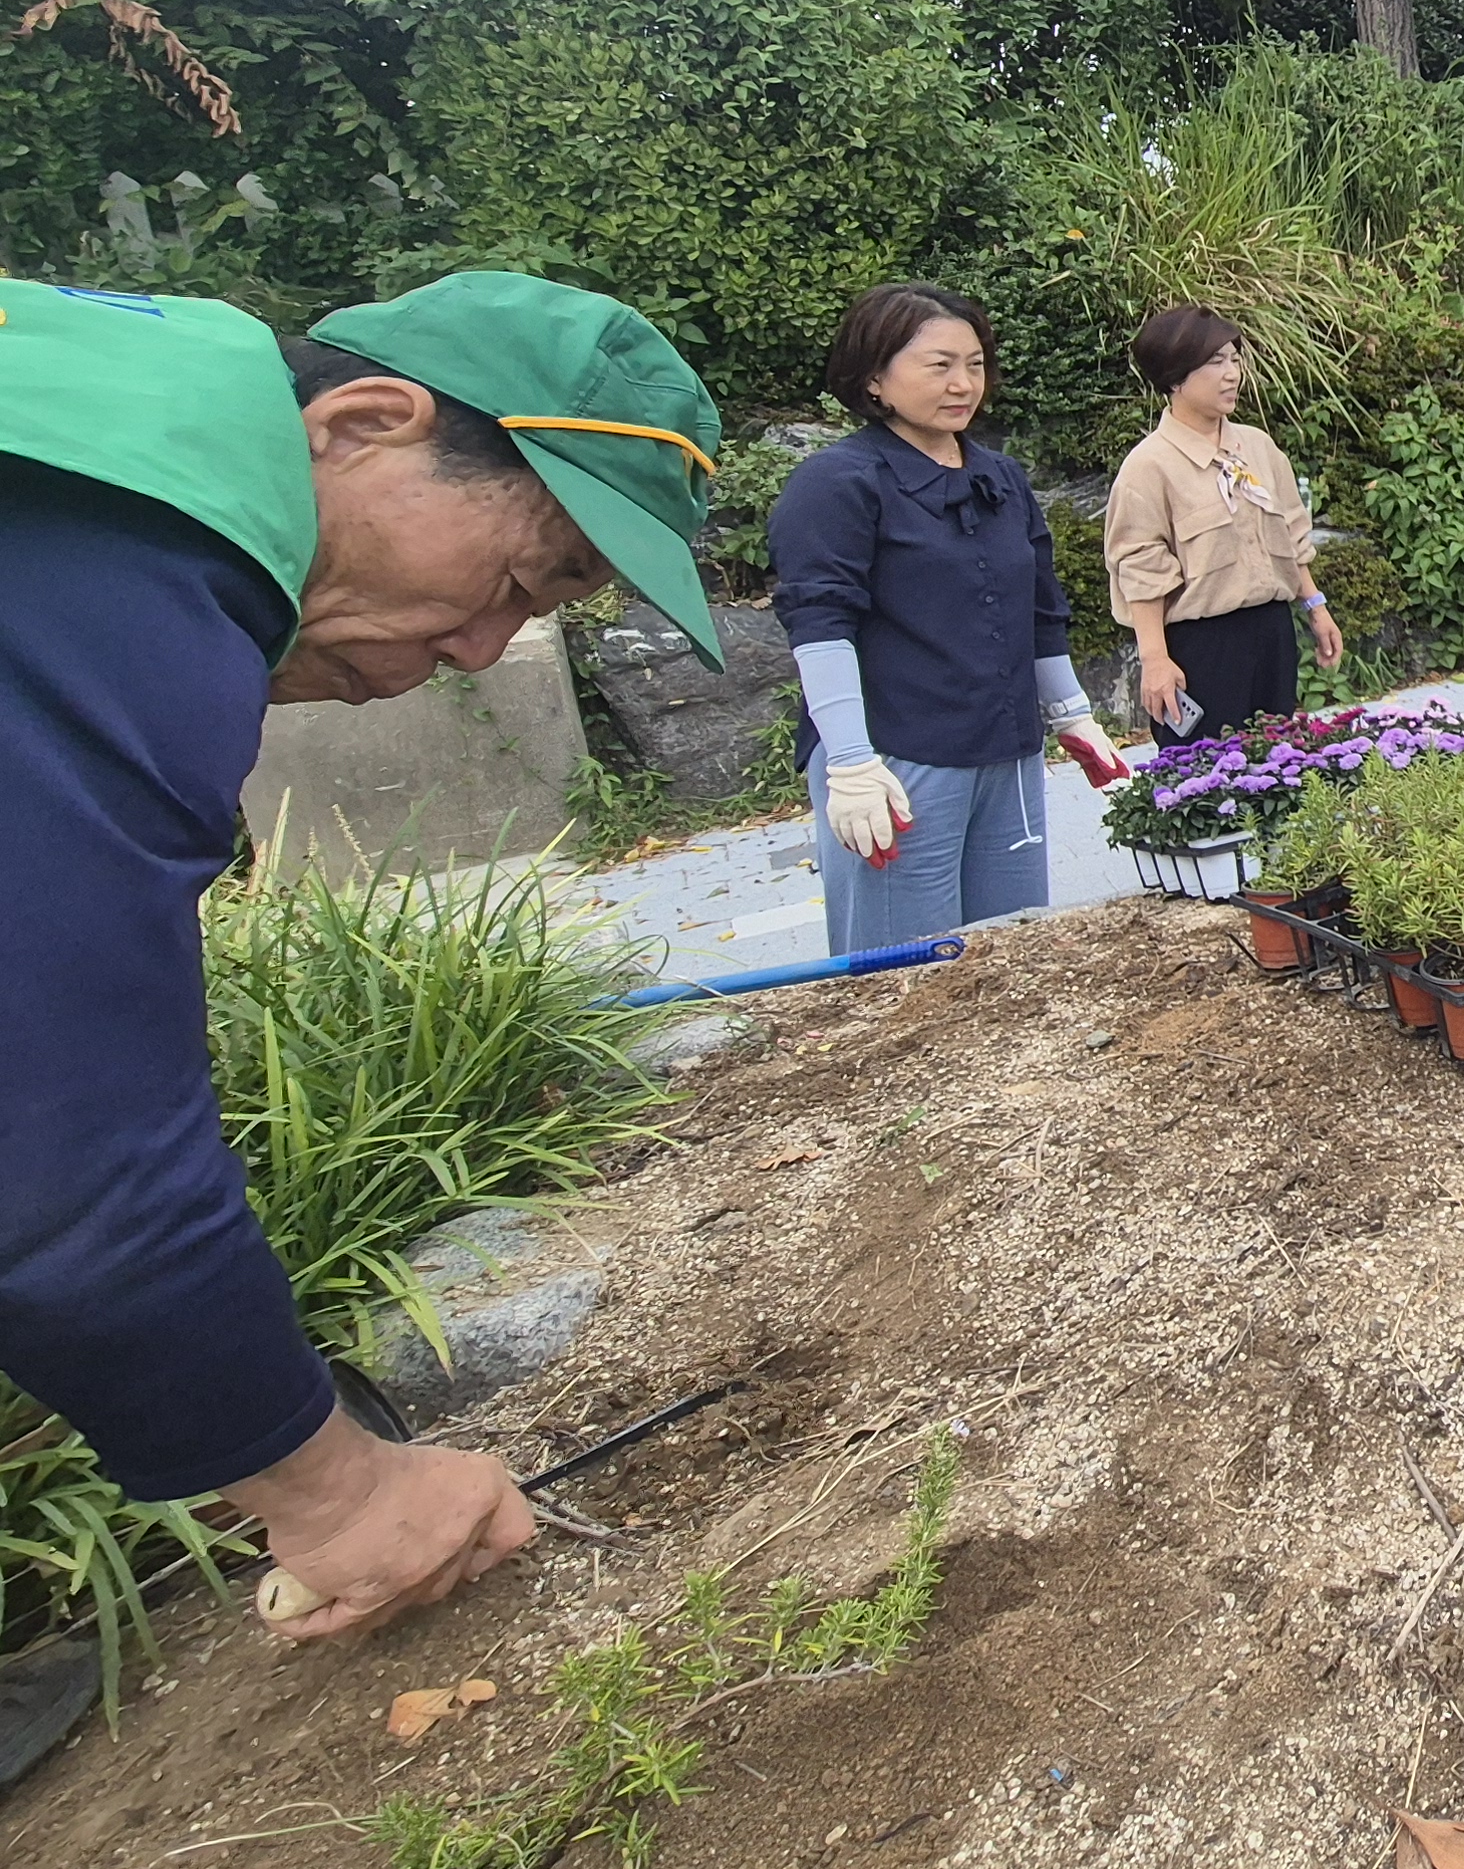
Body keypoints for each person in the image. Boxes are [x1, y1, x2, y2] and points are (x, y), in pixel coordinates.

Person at [1, 268, 726, 1640]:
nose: (476, 648)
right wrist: (332, 1493)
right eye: (518, 577)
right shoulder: (133, 552)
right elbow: (57, 1150)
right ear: (366, 421)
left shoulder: (78, 399)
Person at [770, 283, 1125, 953]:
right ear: (874, 377)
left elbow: (1041, 609)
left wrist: (1073, 714)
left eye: (976, 364)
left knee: (1012, 951)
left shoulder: (1001, 478)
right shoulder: (838, 483)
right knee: (907, 969)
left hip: (1006, 749)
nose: (963, 383)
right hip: (895, 761)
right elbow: (820, 625)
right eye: (939, 365)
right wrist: (848, 760)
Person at [1103, 303, 1344, 736]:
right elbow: (1140, 569)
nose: (1232, 373)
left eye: (1235, 359)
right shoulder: (1149, 467)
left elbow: (1290, 533)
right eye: (1216, 362)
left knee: (1274, 770)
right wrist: (1155, 659)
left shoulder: (1258, 447)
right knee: (1202, 784)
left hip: (1272, 633)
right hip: (1202, 646)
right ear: (1175, 377)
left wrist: (1315, 606)